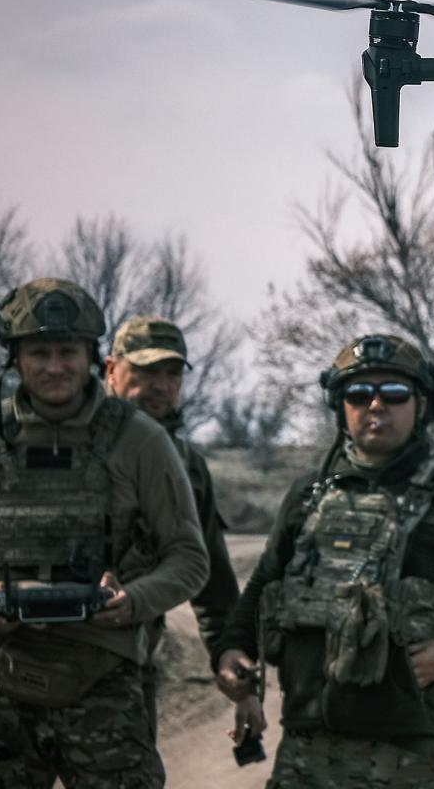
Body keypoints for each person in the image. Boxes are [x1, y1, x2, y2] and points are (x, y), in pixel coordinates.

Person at [211, 333, 434, 788]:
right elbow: (267, 583)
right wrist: (234, 648)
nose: (376, 405)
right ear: (341, 407)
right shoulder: (308, 496)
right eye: (358, 393)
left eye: (394, 393)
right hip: (304, 749)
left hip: (406, 756)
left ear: (421, 406)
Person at [0, 277, 209, 788]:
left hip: (103, 681)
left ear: (91, 357)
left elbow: (188, 558)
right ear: (15, 359)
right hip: (1, 682)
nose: (54, 366)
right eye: (38, 352)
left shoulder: (141, 441)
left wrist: (132, 600)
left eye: (67, 351)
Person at [104, 314, 265, 749]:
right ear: (110, 370)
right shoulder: (66, 443)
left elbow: (212, 583)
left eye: (171, 373)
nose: (160, 384)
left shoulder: (187, 466)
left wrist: (231, 662)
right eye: (145, 371)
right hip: (29, 663)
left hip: (125, 671)